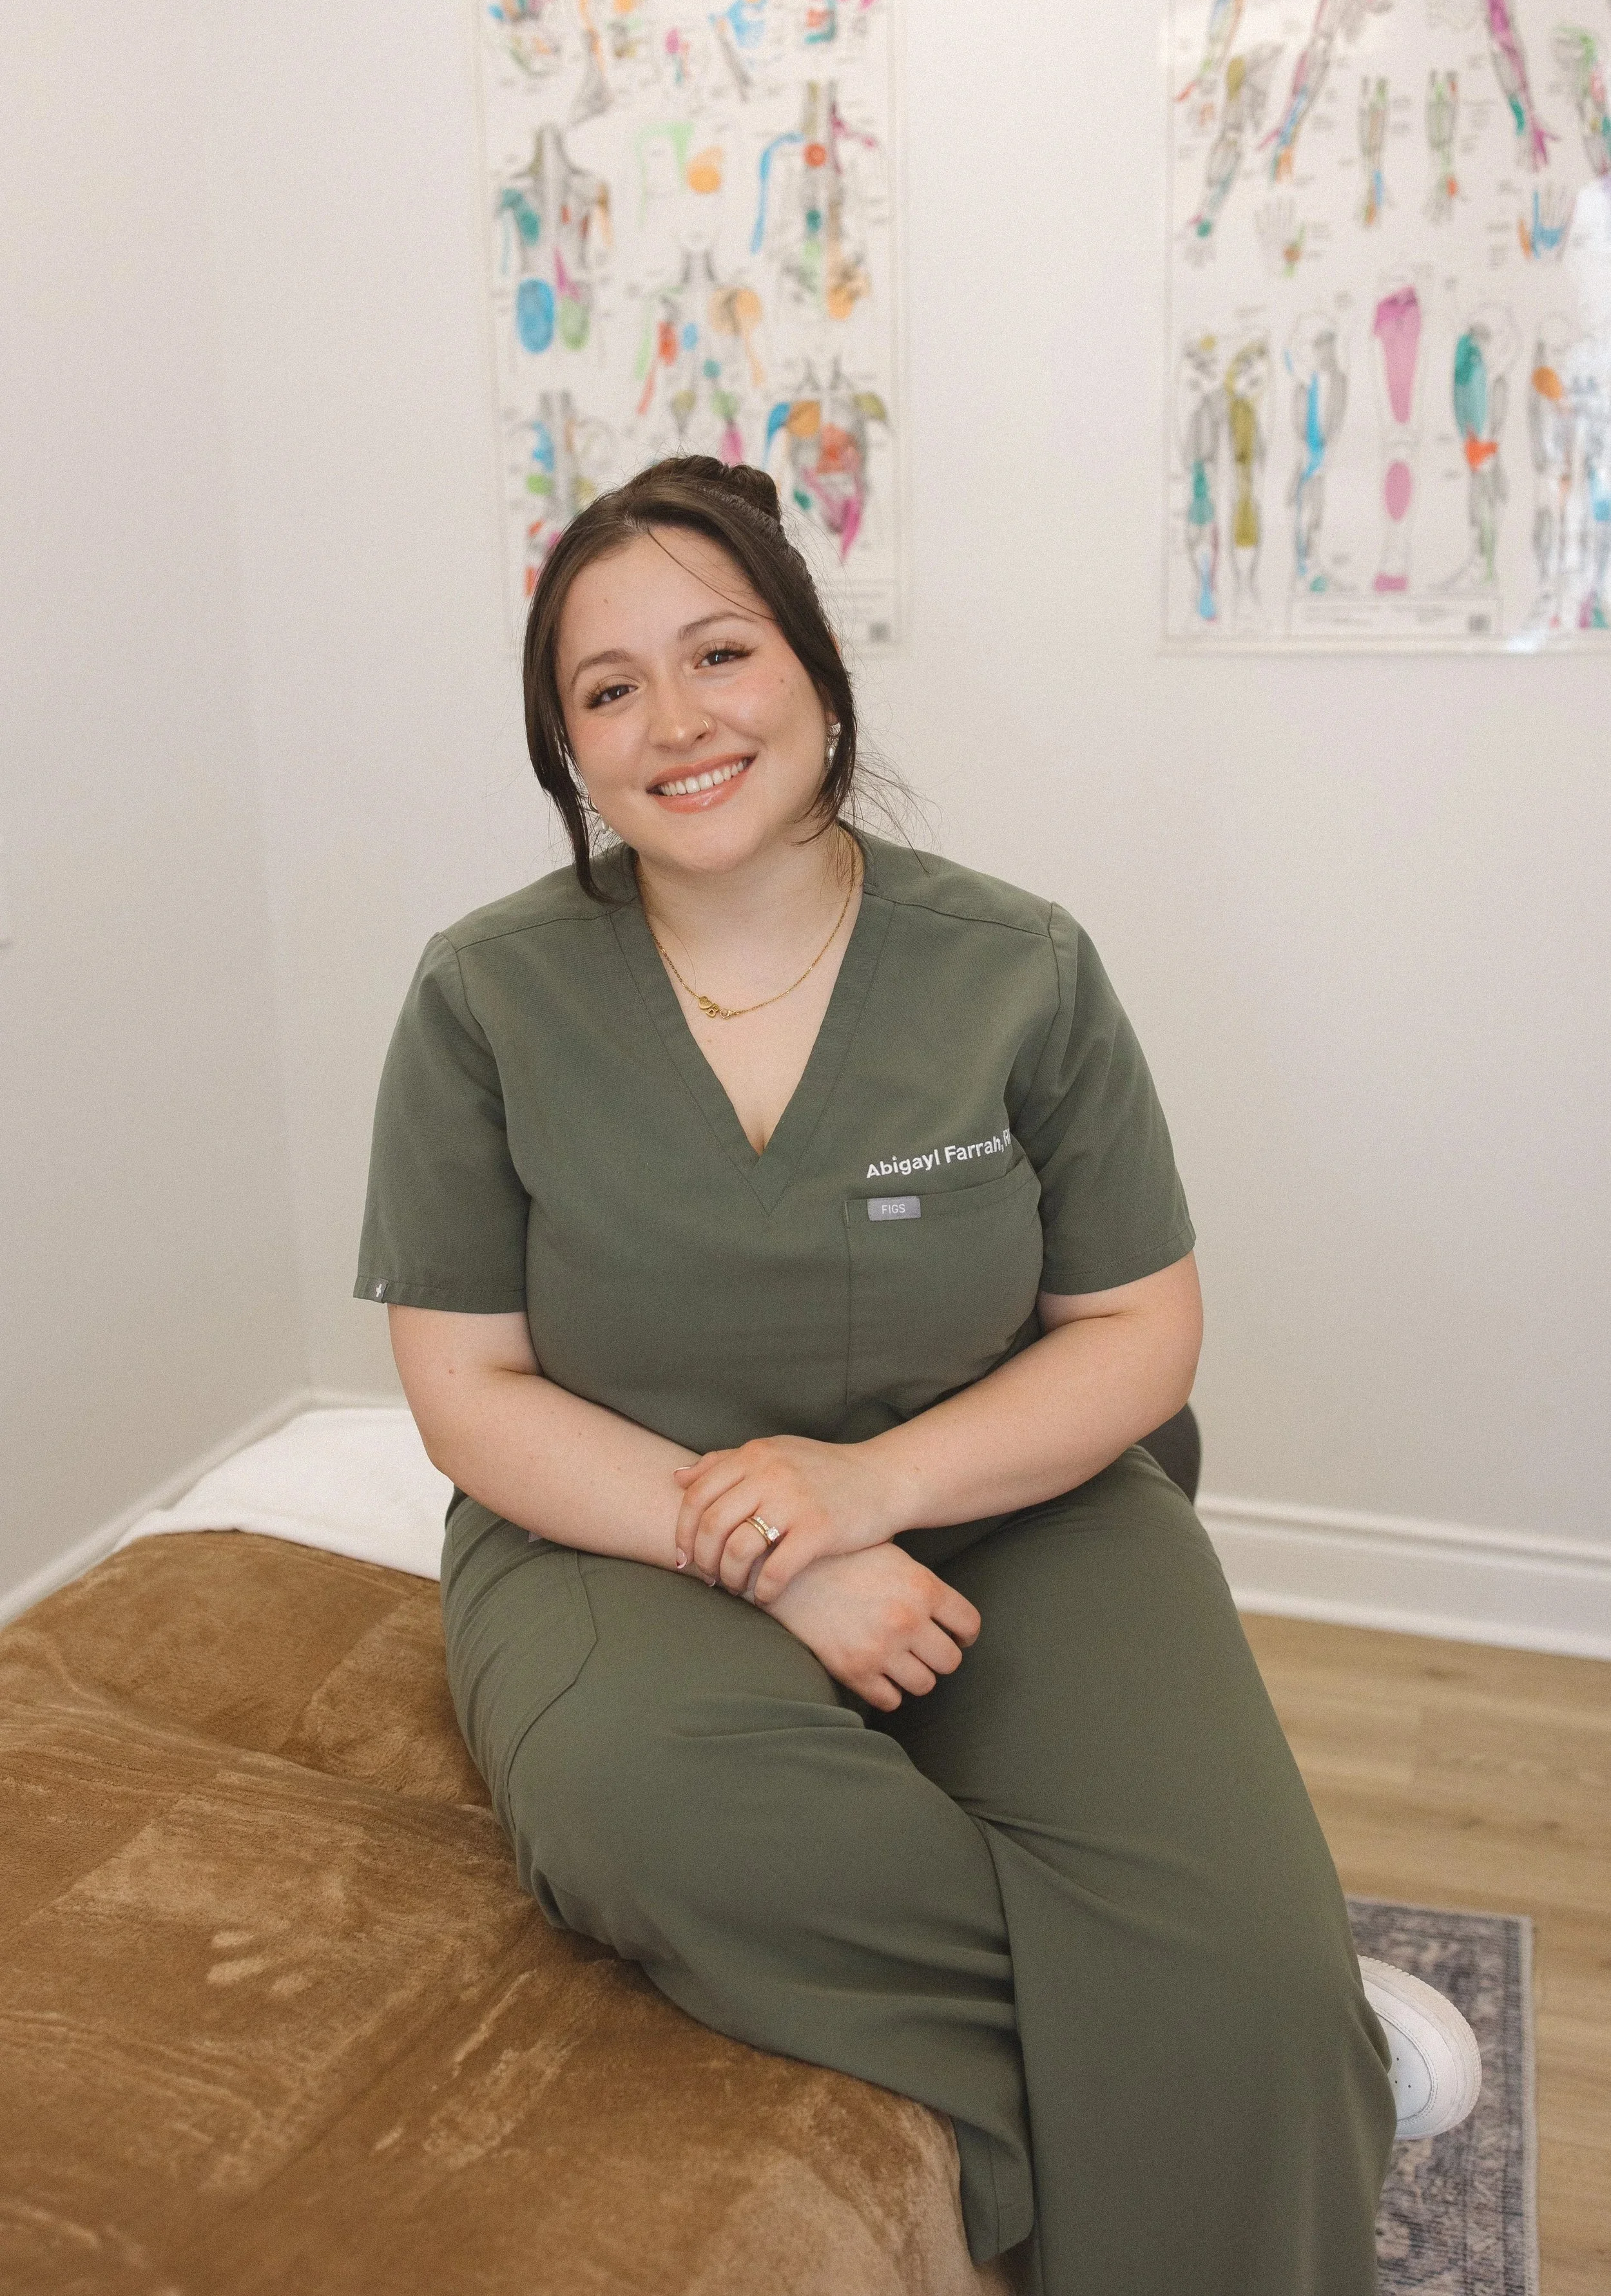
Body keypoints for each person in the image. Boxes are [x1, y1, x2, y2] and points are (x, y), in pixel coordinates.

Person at [356, 457, 1403, 2296]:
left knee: (1246, 1949)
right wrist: (784, 1549)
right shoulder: (482, 998)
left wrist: (871, 1489)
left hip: (1015, 1498)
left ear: (816, 677)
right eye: (607, 690)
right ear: (568, 754)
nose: (675, 720)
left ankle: (1263, 2024)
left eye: (719, 654)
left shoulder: (1017, 968)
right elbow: (469, 1393)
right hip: (618, 1521)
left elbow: (1137, 1331)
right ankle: (1257, 2065)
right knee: (657, 1815)